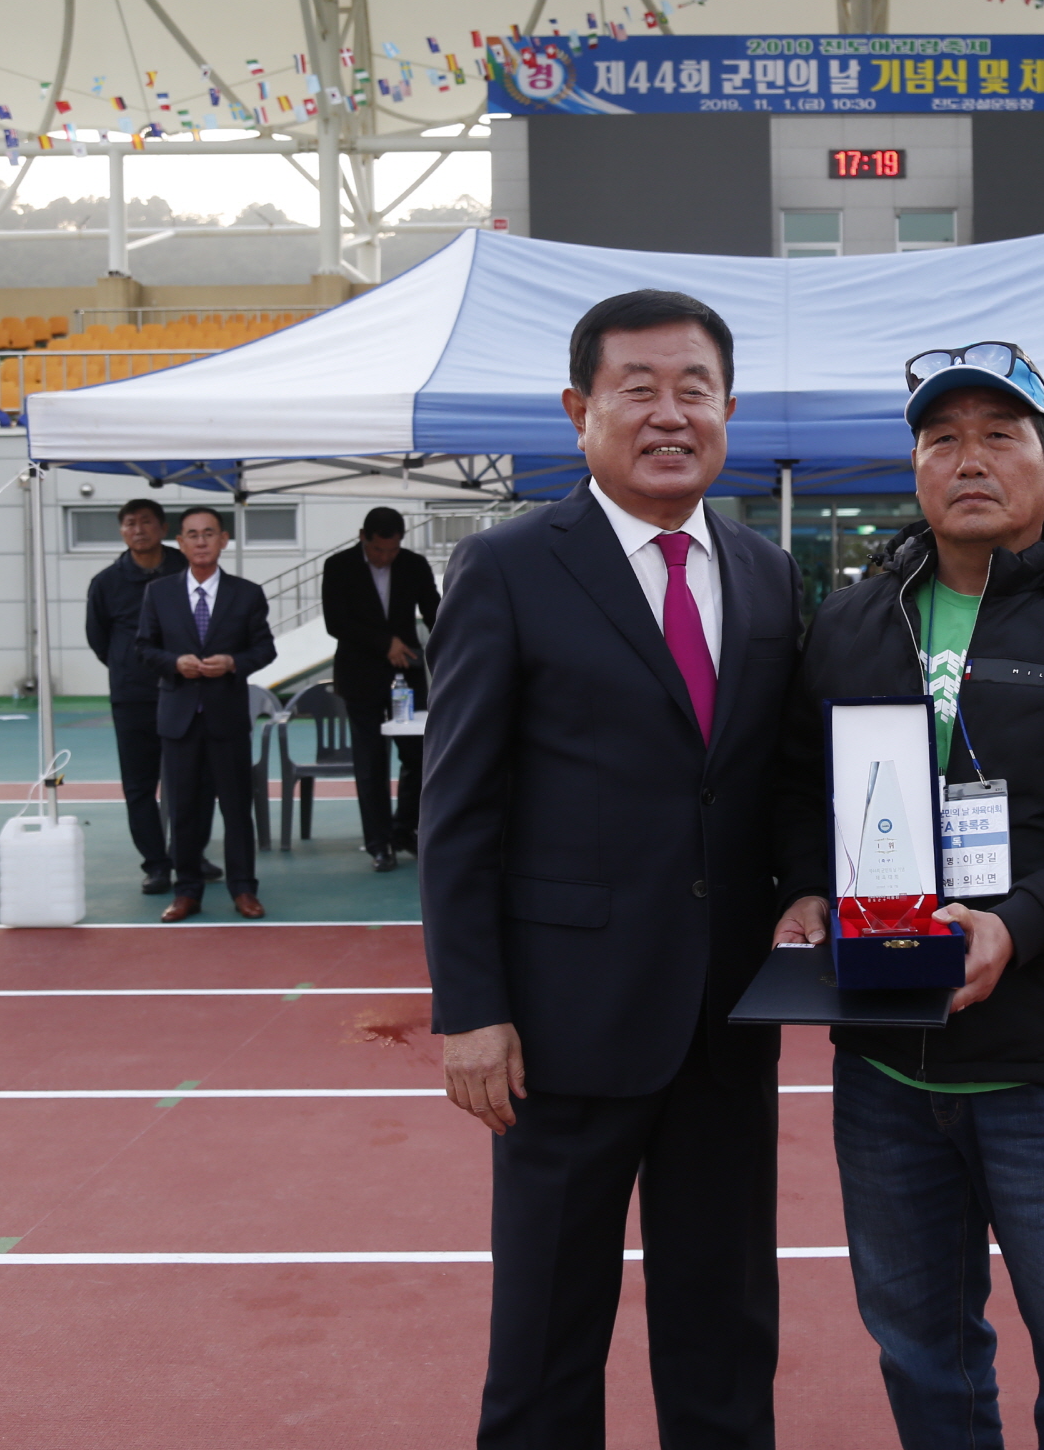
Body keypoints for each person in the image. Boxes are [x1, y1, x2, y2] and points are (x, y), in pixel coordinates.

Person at [772, 341, 1044, 1450]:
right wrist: (811, 887)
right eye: (942, 437)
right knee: (922, 1350)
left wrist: (1017, 926)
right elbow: (799, 788)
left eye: (1000, 436)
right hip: (879, 1062)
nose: (970, 459)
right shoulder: (855, 621)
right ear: (912, 466)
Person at [422, 289, 802, 1448]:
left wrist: (811, 886)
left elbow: (776, 777)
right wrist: (472, 1010)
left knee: (727, 1328)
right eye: (639, 387)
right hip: (562, 1027)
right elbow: (458, 810)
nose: (669, 412)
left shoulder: (770, 573)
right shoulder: (508, 566)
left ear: (729, 407)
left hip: (729, 1022)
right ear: (580, 408)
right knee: (544, 1339)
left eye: (695, 388)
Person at [136, 507, 276, 922]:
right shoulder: (159, 593)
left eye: (208, 534)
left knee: (236, 808)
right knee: (182, 811)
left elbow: (265, 649)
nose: (200, 541)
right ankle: (187, 891)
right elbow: (143, 648)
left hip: (227, 718)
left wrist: (233, 662)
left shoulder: (247, 593)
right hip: (178, 718)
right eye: (192, 535)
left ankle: (244, 889)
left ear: (223, 540)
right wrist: (174, 663)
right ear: (179, 542)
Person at [84, 497, 212, 895]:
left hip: (186, 692)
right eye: (129, 523)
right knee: (140, 785)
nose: (137, 530)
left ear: (161, 529)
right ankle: (157, 864)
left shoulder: (186, 569)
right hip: (133, 697)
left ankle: (190, 855)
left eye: (145, 522)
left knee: (192, 781)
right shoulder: (106, 582)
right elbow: (99, 639)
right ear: (122, 531)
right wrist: (130, 666)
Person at [321, 505, 439, 872]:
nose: (385, 557)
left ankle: (406, 830)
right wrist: (384, 642)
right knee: (370, 762)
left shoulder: (414, 564)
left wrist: (459, 636)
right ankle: (378, 842)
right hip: (360, 678)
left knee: (418, 757)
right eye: (378, 550)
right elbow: (336, 622)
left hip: (407, 675)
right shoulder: (339, 566)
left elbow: (434, 610)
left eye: (392, 550)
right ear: (363, 538)